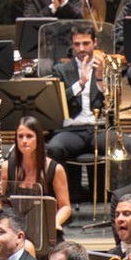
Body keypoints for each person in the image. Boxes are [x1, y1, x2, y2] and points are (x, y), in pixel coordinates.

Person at [42, 24, 111, 172]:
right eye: (77, 44)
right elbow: (57, 100)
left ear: (95, 42)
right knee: (54, 147)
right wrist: (80, 84)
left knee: (123, 144)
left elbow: (115, 102)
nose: (81, 49)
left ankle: (112, 194)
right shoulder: (60, 70)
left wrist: (100, 80)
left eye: (86, 43)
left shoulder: (106, 67)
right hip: (71, 130)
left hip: (98, 129)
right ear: (72, 45)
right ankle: (66, 193)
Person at [0, 117, 71, 235]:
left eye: (29, 136)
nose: (24, 141)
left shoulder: (55, 169)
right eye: (20, 136)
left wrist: (55, 222)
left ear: (39, 138)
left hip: (44, 229)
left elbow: (65, 207)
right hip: (14, 231)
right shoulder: (7, 167)